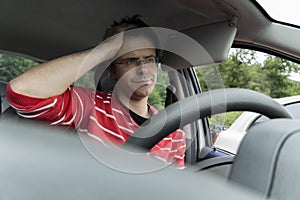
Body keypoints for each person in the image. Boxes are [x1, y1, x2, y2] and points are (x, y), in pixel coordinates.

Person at [6, 15, 186, 168]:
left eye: (149, 59)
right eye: (130, 60)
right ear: (112, 71)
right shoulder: (87, 106)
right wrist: (107, 49)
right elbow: (21, 92)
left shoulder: (174, 135)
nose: (143, 69)